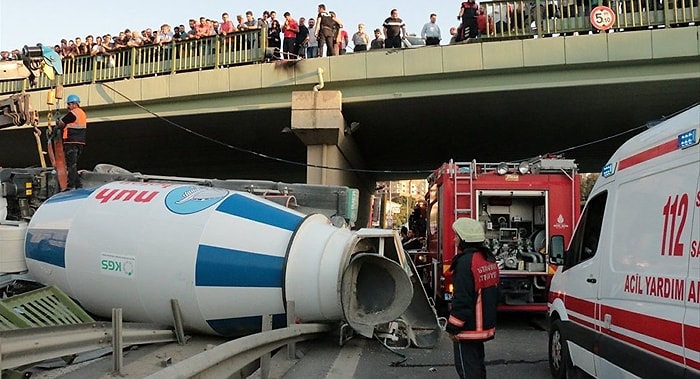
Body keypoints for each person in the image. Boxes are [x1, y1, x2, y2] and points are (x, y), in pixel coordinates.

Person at [446, 218, 499, 379]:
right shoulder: (487, 259)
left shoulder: (465, 263)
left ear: (464, 239)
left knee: (467, 371)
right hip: (482, 327)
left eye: (456, 236)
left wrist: (453, 327)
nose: (454, 239)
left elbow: (462, 299)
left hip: (468, 329)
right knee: (478, 368)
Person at [56, 94, 87, 190]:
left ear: (74, 104)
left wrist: (58, 123)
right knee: (73, 165)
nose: (68, 107)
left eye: (69, 104)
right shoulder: (82, 114)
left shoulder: (73, 113)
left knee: (71, 165)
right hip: (80, 142)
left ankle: (70, 186)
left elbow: (62, 123)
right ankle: (78, 185)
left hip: (71, 142)